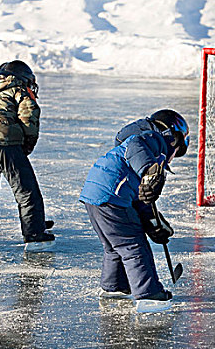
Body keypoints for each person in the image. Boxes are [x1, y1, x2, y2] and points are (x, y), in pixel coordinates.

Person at [79, 109, 189, 312]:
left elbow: (141, 202)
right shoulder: (154, 140)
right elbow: (136, 146)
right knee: (133, 245)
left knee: (114, 246)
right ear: (173, 138)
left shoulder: (143, 149)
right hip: (113, 196)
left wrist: (155, 224)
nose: (172, 159)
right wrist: (150, 171)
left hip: (95, 195)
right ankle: (149, 295)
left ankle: (115, 286)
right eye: (177, 151)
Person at [0, 60, 55, 252]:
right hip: (5, 141)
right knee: (26, 190)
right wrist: (26, 147)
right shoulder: (19, 90)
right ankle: (34, 235)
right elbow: (29, 116)